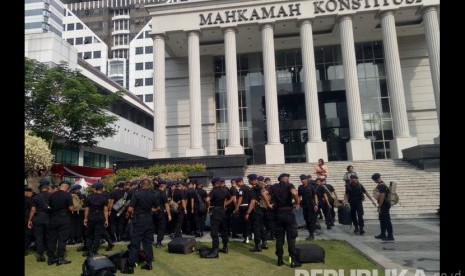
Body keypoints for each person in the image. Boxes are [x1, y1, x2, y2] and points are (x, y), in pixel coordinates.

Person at [122, 179, 158, 273]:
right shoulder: (153, 194)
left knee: (135, 244)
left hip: (139, 220)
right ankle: (149, 264)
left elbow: (130, 209)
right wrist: (151, 210)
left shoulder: (137, 194)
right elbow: (157, 208)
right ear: (149, 185)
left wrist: (129, 213)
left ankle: (130, 267)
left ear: (140, 185)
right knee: (148, 243)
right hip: (149, 220)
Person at [266, 173, 301, 268]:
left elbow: (264, 193)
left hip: (278, 214)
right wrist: (297, 202)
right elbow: (294, 193)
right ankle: (293, 261)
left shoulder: (274, 186)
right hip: (288, 213)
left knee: (279, 239)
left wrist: (268, 204)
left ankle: (280, 260)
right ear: (286, 179)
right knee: (291, 238)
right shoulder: (289, 185)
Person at [47, 180, 75, 266]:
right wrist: (73, 207)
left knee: (52, 239)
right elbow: (70, 208)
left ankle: (51, 258)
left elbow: (49, 207)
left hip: (53, 218)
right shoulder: (67, 195)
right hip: (64, 218)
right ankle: (60, 258)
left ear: (60, 186)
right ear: (67, 187)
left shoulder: (52, 195)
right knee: (62, 239)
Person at [205, 177, 233, 257]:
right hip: (223, 212)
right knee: (224, 230)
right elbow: (231, 198)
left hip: (215, 212)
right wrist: (225, 204)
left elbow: (207, 200)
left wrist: (208, 207)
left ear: (213, 183)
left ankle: (215, 251)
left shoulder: (213, 191)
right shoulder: (224, 190)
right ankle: (225, 247)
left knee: (214, 232)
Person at [83, 183, 109, 256]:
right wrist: (106, 220)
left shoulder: (89, 197)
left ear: (95, 188)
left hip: (91, 216)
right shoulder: (104, 197)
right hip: (100, 217)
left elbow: (86, 209)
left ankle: (89, 250)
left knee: (89, 234)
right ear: (101, 188)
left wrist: (85, 218)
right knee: (98, 235)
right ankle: (94, 250)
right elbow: (106, 210)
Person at [245, 174, 268, 252]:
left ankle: (257, 245)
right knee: (262, 227)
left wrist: (248, 213)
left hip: (255, 211)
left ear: (252, 180)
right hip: (262, 210)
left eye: (249, 180)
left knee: (256, 228)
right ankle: (264, 243)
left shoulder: (253, 189)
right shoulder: (262, 187)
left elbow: (252, 202)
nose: (248, 181)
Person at [371, 173, 394, 242]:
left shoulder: (381, 186)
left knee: (386, 220)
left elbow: (382, 196)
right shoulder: (382, 184)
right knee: (382, 220)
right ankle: (383, 234)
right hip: (384, 205)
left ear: (376, 179)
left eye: (374, 180)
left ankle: (390, 236)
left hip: (384, 205)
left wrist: (379, 206)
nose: (374, 181)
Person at [298, 174, 318, 240]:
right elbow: (299, 196)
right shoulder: (300, 187)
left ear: (306, 179)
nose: (302, 181)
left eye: (303, 179)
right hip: (305, 205)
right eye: (301, 180)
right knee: (306, 219)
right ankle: (310, 233)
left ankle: (311, 234)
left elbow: (315, 196)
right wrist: (298, 204)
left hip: (312, 205)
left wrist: (316, 204)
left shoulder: (311, 187)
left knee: (311, 220)